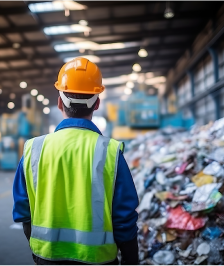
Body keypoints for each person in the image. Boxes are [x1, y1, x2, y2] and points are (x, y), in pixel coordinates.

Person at [12, 57, 139, 266]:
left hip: (47, 257)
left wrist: (38, 250)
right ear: (97, 103)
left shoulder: (34, 149)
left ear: (59, 102)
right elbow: (124, 217)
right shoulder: (110, 152)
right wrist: (130, 260)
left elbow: (22, 210)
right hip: (98, 260)